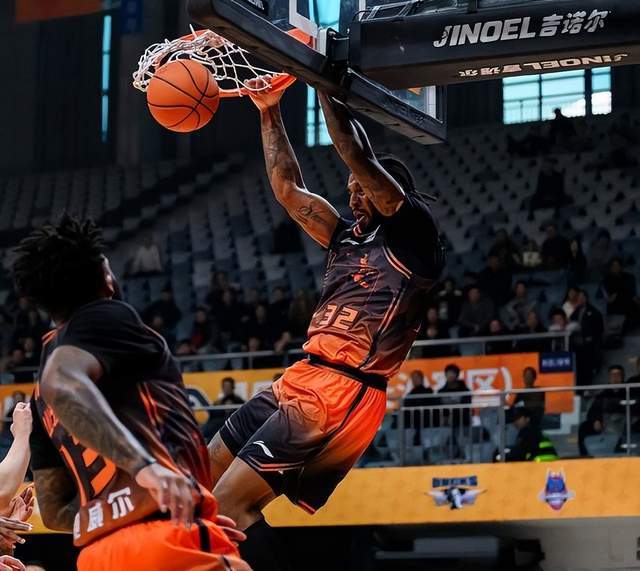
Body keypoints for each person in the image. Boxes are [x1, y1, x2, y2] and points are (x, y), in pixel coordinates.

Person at [207, 80, 445, 570]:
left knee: (231, 506)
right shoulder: (343, 239)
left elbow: (356, 153)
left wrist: (319, 79)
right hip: (301, 376)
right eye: (350, 190)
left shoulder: (413, 235)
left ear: (387, 192)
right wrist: (269, 110)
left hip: (344, 389)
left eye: (362, 190)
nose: (353, 196)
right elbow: (287, 190)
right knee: (202, 483)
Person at [12, 216, 247, 571]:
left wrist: (128, 507)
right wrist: (146, 471)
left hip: (100, 555)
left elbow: (54, 511)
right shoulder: (108, 317)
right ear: (106, 277)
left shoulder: (38, 397)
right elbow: (63, 381)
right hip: (166, 540)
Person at [578, 365, 627, 456]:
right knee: (584, 427)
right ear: (609, 377)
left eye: (618, 375)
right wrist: (597, 420)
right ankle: (585, 456)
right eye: (612, 375)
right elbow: (593, 410)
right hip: (606, 423)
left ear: (623, 377)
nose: (615, 378)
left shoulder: (629, 391)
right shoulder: (603, 394)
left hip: (624, 422)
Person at [570, 289, 604, 386]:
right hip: (576, 345)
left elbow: (599, 329)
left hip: (589, 346)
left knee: (587, 368)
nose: (580, 299)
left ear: (586, 298)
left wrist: (592, 338)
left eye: (582, 297)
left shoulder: (594, 312)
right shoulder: (575, 311)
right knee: (578, 368)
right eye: (578, 298)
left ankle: (587, 387)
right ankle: (579, 388)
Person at [602, 257, 640, 330]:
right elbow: (610, 299)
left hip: (629, 301)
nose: (616, 267)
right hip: (616, 304)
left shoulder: (628, 277)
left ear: (621, 266)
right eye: (613, 266)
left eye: (617, 265)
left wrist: (636, 299)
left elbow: (632, 293)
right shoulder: (606, 280)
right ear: (610, 267)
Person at [403, 371, 436, 444]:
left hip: (426, 422)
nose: (415, 380)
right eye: (413, 378)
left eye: (417, 377)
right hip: (412, 423)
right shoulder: (409, 394)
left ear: (422, 378)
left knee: (427, 443)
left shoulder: (428, 391)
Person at [437, 364, 472, 429]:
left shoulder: (465, 390)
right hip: (446, 424)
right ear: (445, 375)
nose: (450, 375)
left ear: (457, 375)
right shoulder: (441, 392)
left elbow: (467, 407)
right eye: (448, 373)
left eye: (453, 373)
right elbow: (439, 408)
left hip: (463, 422)